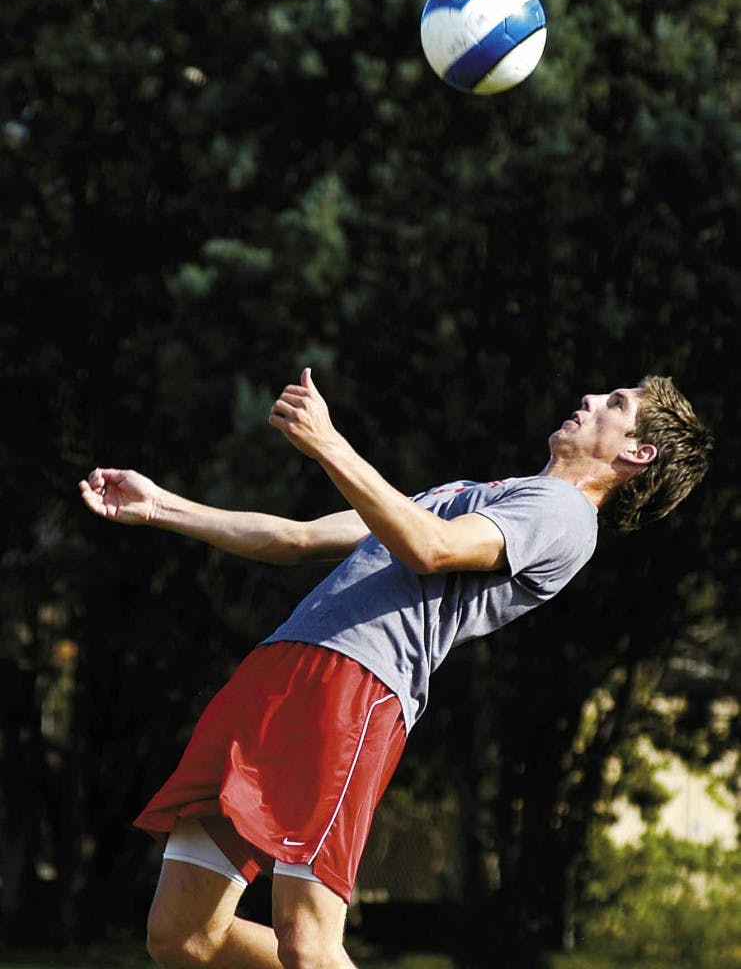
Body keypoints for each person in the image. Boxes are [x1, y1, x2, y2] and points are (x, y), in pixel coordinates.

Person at [79, 370, 711, 969]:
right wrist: (160, 506)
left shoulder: (564, 513)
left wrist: (329, 443)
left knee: (308, 942)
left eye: (618, 405)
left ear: (639, 455)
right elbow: (294, 539)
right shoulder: (473, 493)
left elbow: (432, 549)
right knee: (182, 935)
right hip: (279, 670)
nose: (594, 397)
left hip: (352, 688)